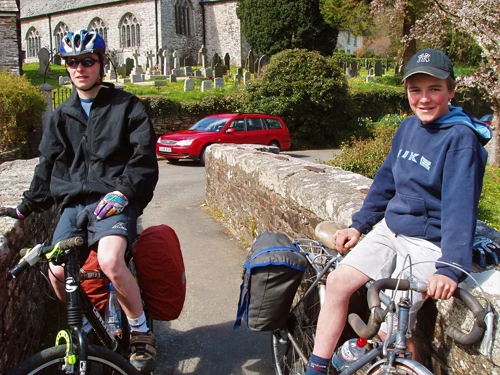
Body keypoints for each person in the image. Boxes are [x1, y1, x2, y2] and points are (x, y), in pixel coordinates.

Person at [304, 49, 492, 375]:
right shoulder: (407, 127)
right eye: (415, 90)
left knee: (391, 330)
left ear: (451, 90)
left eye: (434, 89)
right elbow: (386, 181)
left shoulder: (460, 139)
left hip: (427, 244)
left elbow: (461, 207)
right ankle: (316, 368)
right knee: (336, 284)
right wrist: (359, 225)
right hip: (389, 232)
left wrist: (450, 268)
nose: (424, 99)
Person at [0, 29, 159, 373]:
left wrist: (124, 192)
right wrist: (25, 207)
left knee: (111, 260)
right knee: (56, 272)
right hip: (74, 206)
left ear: (101, 64)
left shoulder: (127, 107)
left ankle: (141, 334)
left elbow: (144, 158)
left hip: (113, 201)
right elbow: (46, 166)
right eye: (72, 62)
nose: (79, 68)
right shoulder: (62, 115)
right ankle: (90, 330)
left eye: (87, 61)